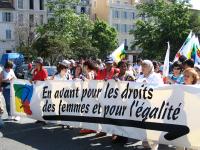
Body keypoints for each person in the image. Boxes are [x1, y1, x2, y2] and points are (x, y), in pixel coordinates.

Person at [136, 60, 163, 150]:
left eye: (145, 66)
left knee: (152, 127)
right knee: (143, 126)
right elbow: (134, 88)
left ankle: (154, 147)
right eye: (142, 66)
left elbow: (160, 89)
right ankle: (145, 144)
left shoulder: (156, 77)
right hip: (142, 106)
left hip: (152, 106)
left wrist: (148, 86)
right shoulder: (140, 77)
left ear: (150, 67)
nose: (142, 68)